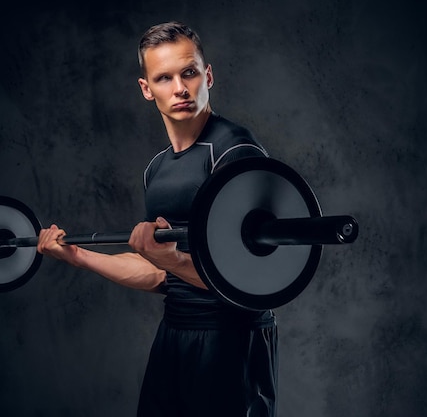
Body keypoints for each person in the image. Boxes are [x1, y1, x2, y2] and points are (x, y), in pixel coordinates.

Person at [37, 21, 278, 417]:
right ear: (147, 89)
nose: (179, 88)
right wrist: (76, 256)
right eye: (163, 78)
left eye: (189, 73)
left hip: (232, 341)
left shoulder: (236, 153)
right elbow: (159, 273)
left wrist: (173, 261)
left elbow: (253, 283)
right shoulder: (156, 170)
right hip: (175, 337)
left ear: (208, 76)